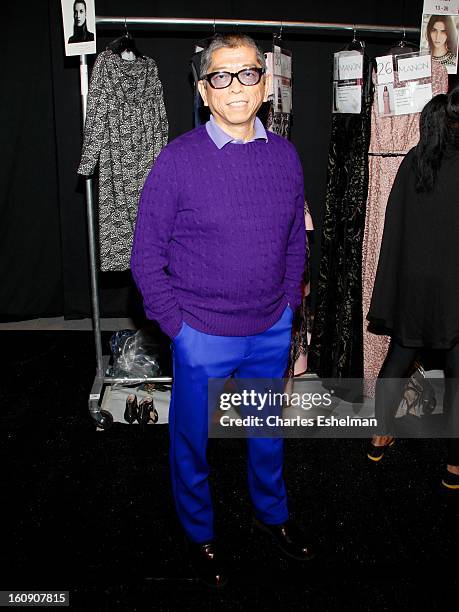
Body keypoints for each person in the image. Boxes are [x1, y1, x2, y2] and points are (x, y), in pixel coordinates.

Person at [131, 33, 312, 587]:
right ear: (204, 91)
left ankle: (271, 516)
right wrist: (180, 330)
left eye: (248, 74)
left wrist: (286, 305)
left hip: (269, 328)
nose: (236, 87)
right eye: (221, 77)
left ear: (265, 84)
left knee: (266, 434)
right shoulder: (177, 160)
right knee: (191, 441)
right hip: (201, 333)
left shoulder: (285, 156)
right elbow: (144, 259)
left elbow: (295, 243)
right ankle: (198, 531)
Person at [366, 89, 459, 491]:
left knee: (398, 360)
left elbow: (396, 230)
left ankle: (378, 436)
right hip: (454, 288)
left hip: (415, 288)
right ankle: (455, 464)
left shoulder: (412, 163)